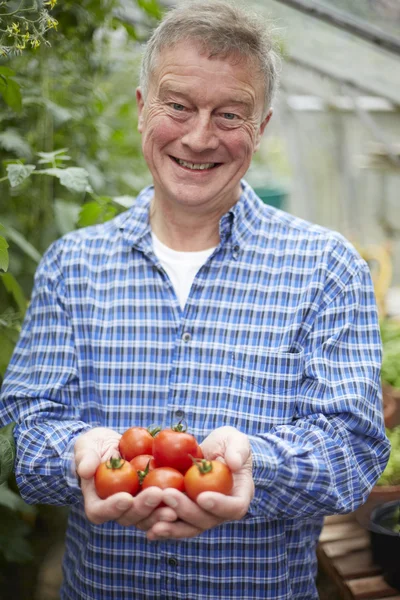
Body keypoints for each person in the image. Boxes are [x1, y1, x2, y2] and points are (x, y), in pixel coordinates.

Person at [0, 2, 390, 599]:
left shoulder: (324, 267)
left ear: (260, 128)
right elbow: (29, 428)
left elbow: (353, 449)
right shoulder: (72, 266)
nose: (200, 136)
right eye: (177, 105)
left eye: (229, 114)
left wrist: (252, 467)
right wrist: (77, 456)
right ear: (140, 109)